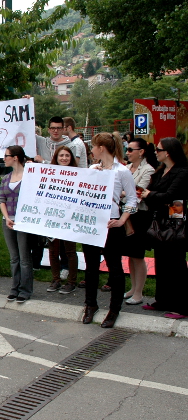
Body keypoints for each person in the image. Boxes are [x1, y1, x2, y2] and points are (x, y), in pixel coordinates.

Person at [81, 132, 138, 329]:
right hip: (92, 223)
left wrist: (122, 220)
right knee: (91, 266)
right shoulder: (92, 168)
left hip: (111, 223)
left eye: (94, 146)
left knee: (114, 267)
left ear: (101, 148)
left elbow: (132, 198)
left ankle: (114, 309)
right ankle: (90, 304)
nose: (92, 150)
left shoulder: (122, 171)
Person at [140, 137, 188, 319]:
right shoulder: (162, 171)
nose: (155, 152)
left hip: (175, 220)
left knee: (176, 263)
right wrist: (150, 196)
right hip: (160, 219)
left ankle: (182, 305)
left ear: (167, 152)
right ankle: (163, 300)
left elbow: (174, 197)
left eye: (158, 149)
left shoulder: (182, 172)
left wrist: (151, 195)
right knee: (162, 261)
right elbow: (156, 194)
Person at [0, 145, 34, 302]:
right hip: (9, 221)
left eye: (6, 156)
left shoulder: (30, 177)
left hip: (24, 222)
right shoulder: (6, 178)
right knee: (14, 257)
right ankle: (15, 287)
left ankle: (25, 289)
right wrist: (7, 217)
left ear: (15, 157)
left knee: (24, 257)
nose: (4, 159)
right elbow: (2, 199)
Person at [122, 138, 155, 305]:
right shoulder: (126, 168)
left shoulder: (148, 170)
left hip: (139, 215)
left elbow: (138, 192)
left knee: (138, 255)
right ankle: (133, 287)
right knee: (130, 254)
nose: (127, 152)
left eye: (130, 149)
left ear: (141, 152)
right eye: (127, 149)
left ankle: (139, 292)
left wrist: (122, 193)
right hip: (126, 215)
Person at [47, 146, 80, 295]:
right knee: (53, 250)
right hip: (54, 217)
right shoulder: (49, 174)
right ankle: (56, 280)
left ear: (71, 158)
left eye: (67, 156)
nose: (64, 158)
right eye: (61, 156)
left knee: (70, 251)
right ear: (56, 157)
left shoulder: (79, 175)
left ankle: (71, 282)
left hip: (70, 219)